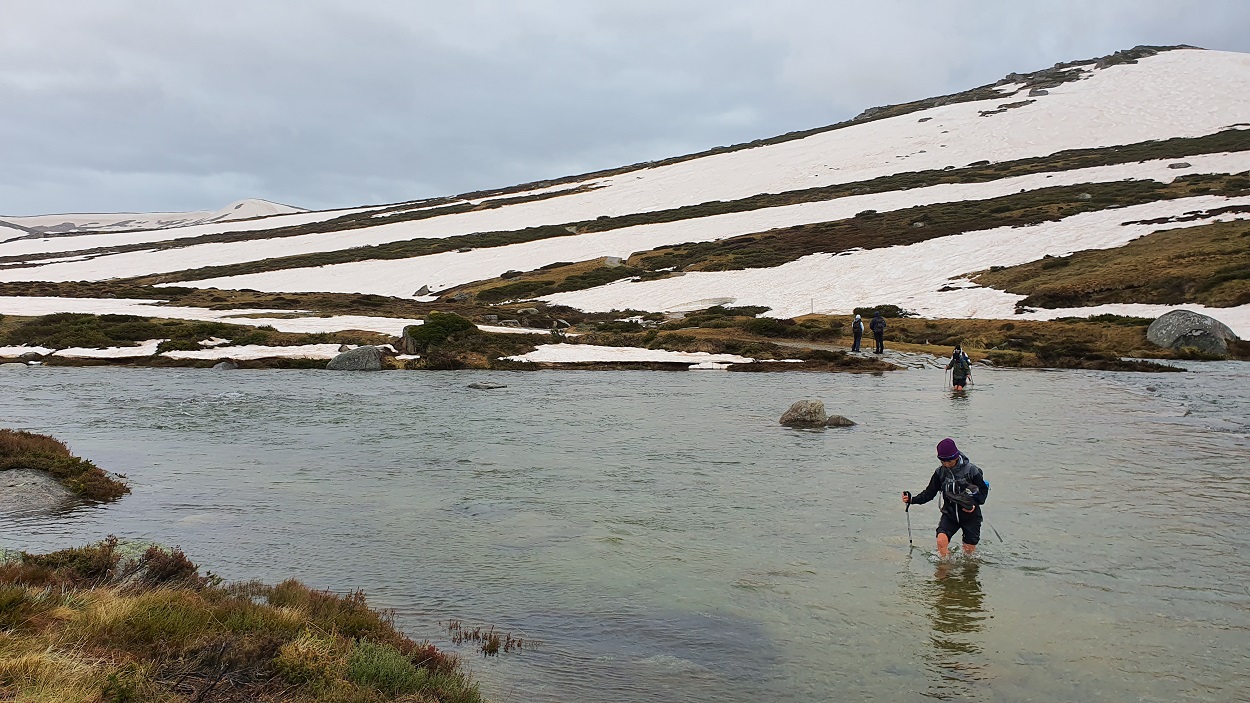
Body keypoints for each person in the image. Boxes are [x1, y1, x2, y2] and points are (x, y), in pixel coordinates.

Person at [902, 438, 990, 557]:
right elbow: (929, 493)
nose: (946, 464)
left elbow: (983, 492)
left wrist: (974, 504)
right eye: (943, 461)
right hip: (950, 515)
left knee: (968, 554)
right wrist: (912, 500)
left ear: (956, 456)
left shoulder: (972, 471)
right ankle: (944, 572)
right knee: (941, 542)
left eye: (949, 461)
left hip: (971, 517)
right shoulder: (940, 473)